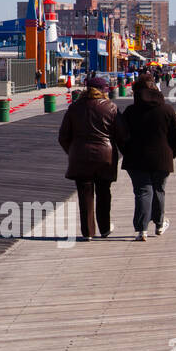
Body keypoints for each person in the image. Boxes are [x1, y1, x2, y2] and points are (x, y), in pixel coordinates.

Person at [113, 74, 176, 241]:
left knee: (143, 192)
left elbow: (121, 135)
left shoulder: (131, 111)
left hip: (136, 159)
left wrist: (126, 151)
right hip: (162, 158)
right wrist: (171, 152)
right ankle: (159, 225)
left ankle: (141, 230)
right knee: (159, 190)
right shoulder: (166, 110)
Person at [57, 75, 119, 241]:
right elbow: (122, 134)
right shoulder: (111, 107)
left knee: (85, 195)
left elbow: (63, 136)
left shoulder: (74, 107)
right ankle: (105, 228)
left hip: (80, 156)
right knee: (104, 192)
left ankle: (88, 232)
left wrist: (72, 151)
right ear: (103, 90)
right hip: (105, 156)